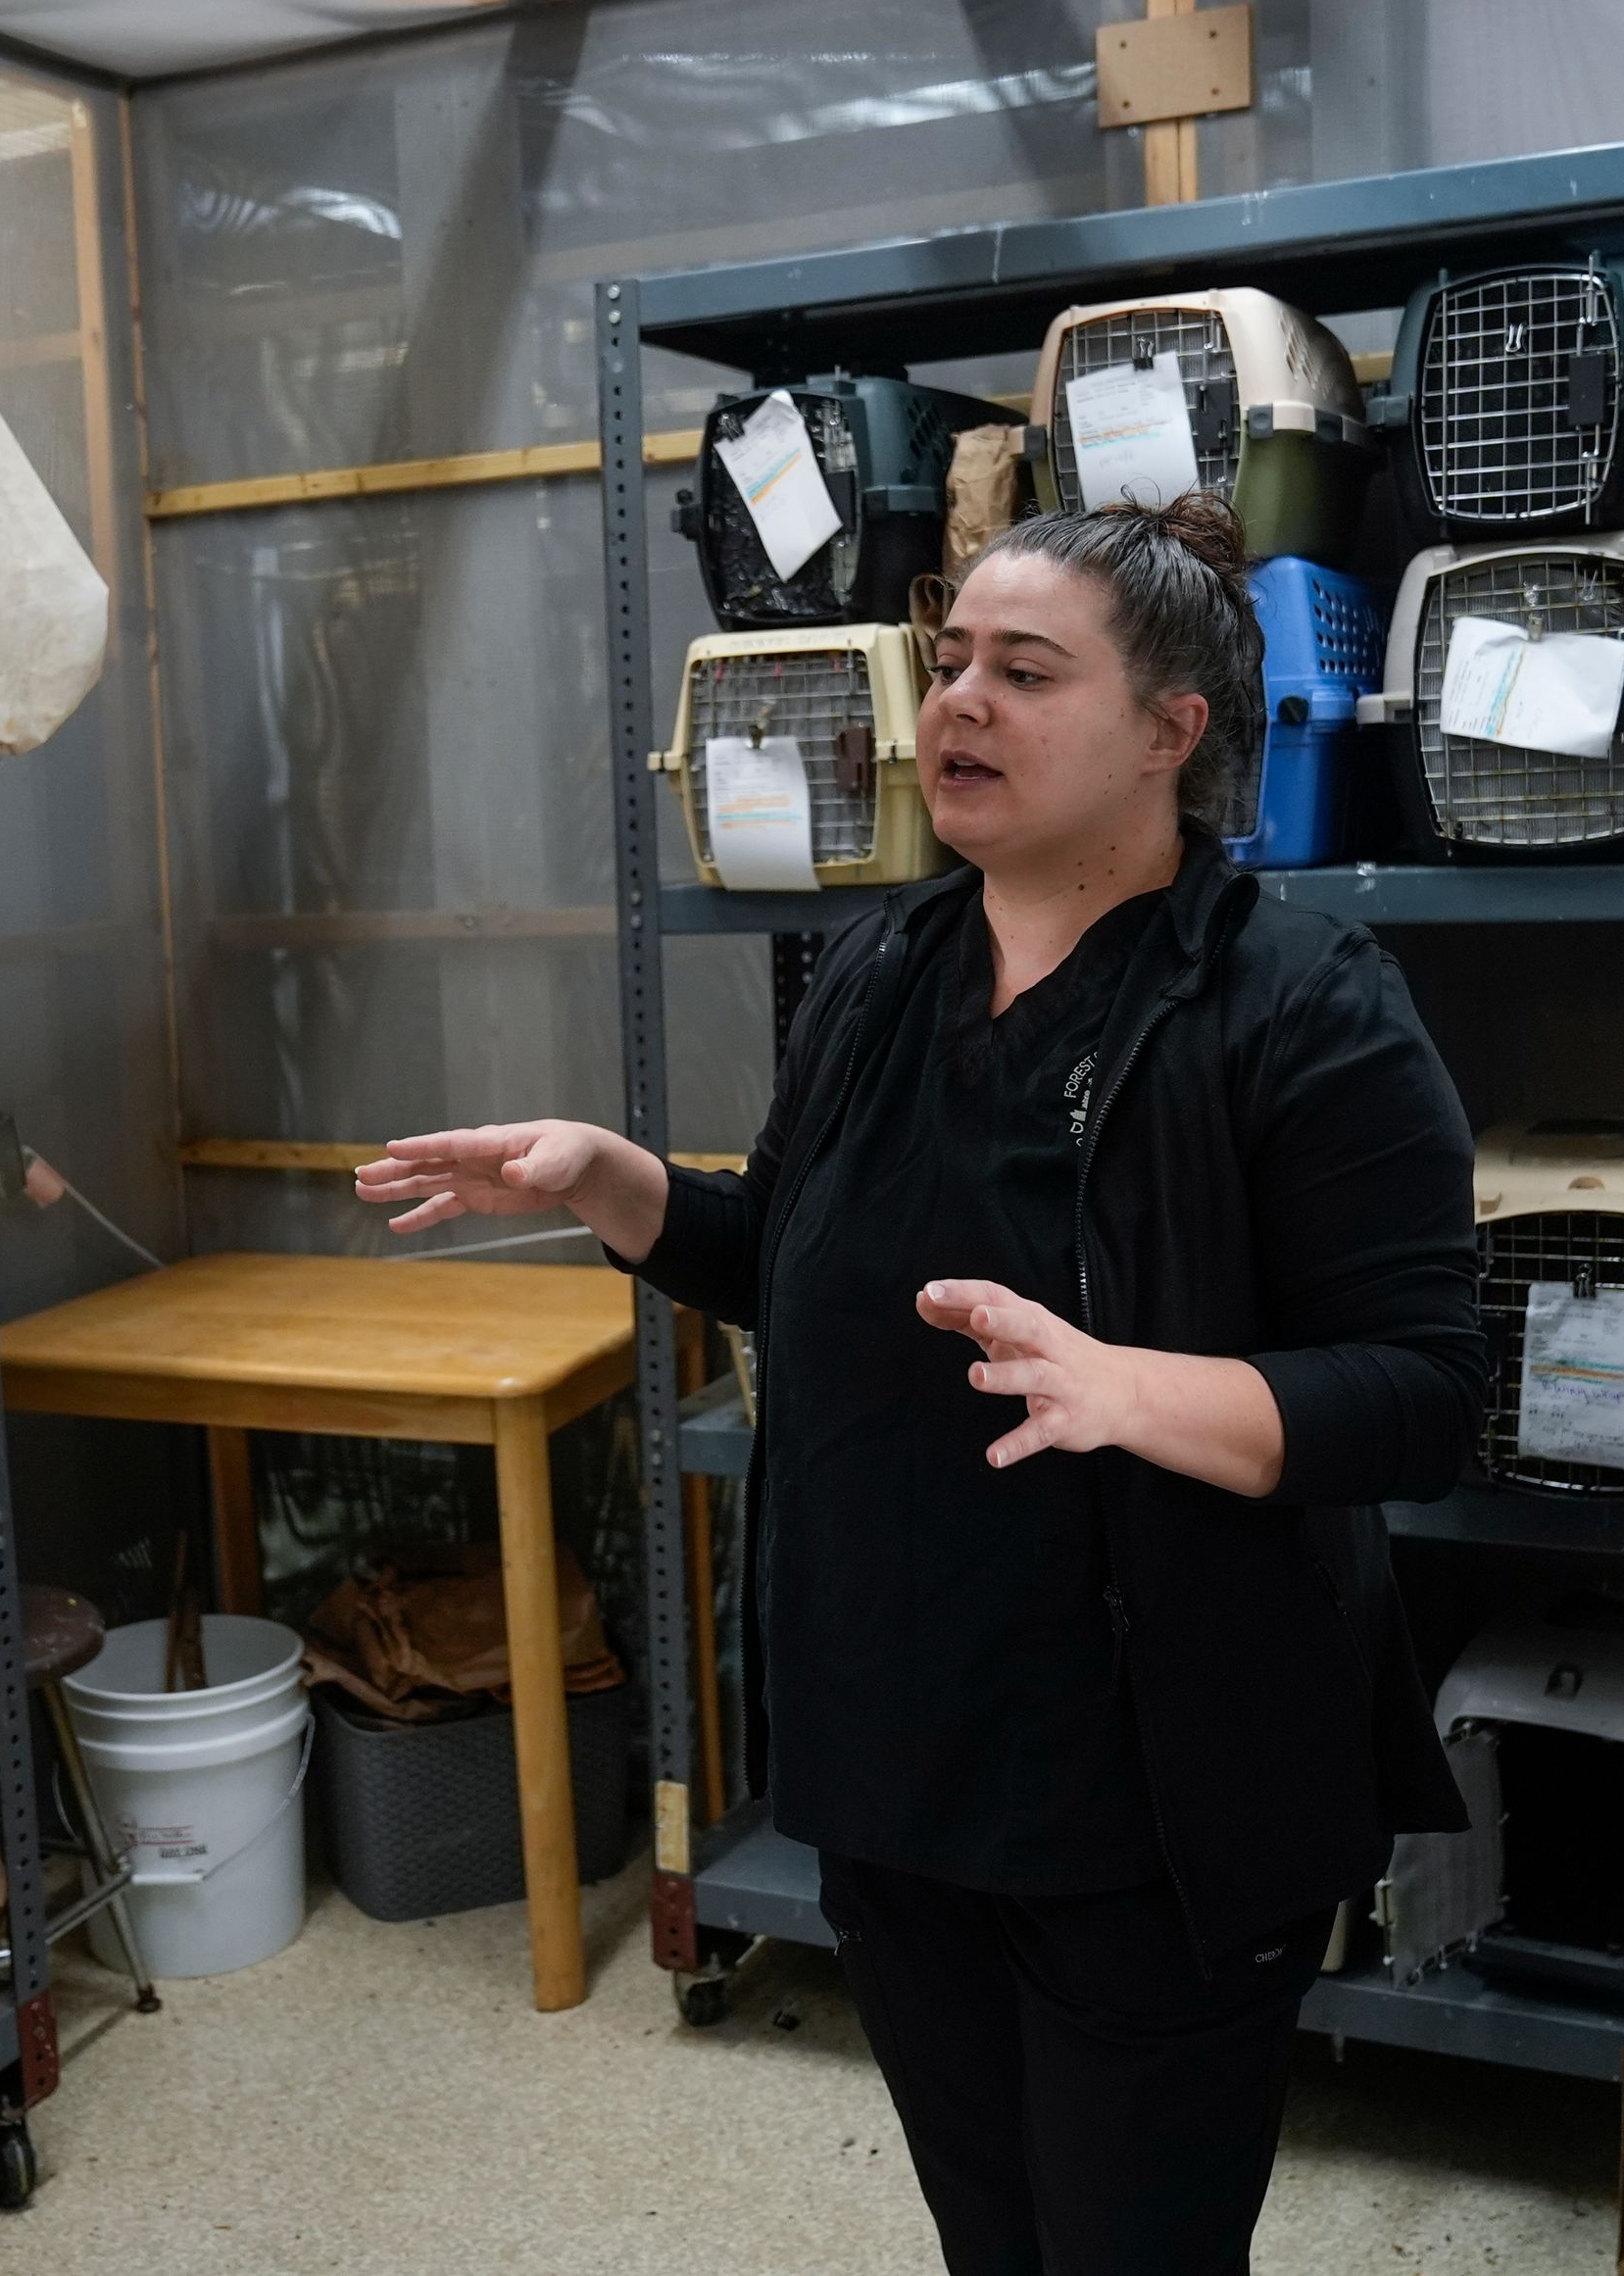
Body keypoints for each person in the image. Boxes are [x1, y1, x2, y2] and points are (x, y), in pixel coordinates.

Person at [356, 492, 1485, 2276]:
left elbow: (1423, 1391)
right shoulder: (883, 969)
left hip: (1152, 1810)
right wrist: (613, 1183)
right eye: (950, 660)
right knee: (994, 2237)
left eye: (1024, 673)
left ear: (1170, 736)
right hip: (901, 1768)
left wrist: (1132, 1388)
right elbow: (789, 1263)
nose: (956, 700)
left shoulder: (1299, 1001)